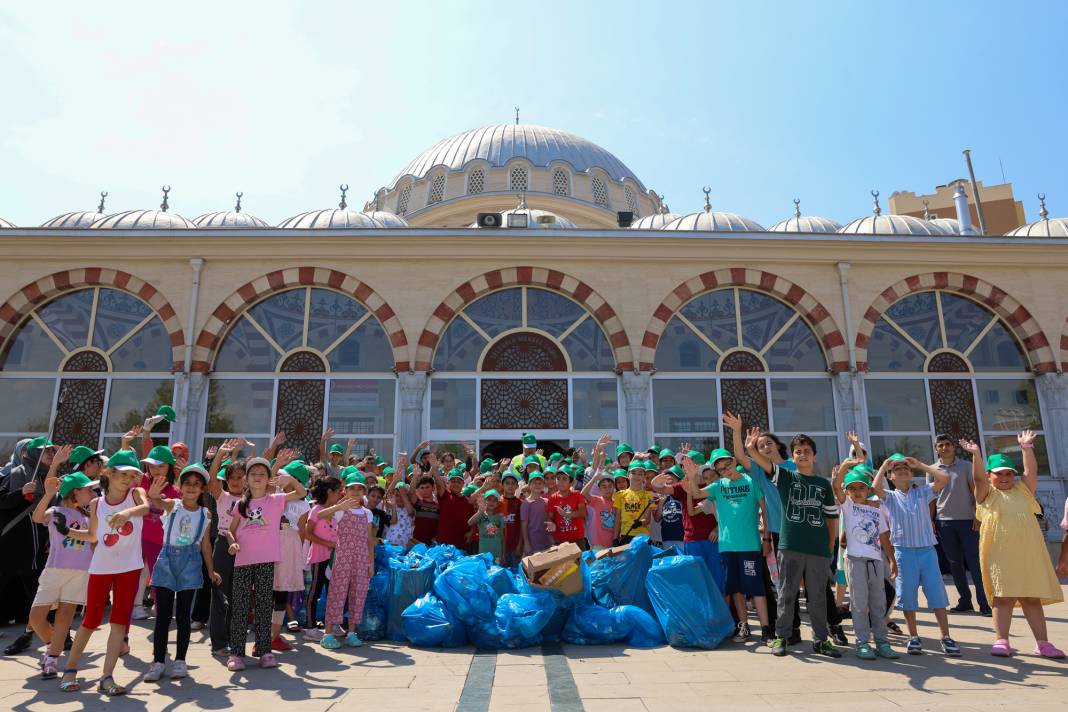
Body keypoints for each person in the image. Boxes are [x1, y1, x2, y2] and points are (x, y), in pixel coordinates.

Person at [963, 433, 1064, 658]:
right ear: (990, 476)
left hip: (1028, 553)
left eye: (1009, 473)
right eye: (999, 474)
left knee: (1031, 597)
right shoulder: (986, 494)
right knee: (1003, 597)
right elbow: (978, 479)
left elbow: (1032, 472)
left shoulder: (1023, 490)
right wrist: (976, 455)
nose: (1005, 477)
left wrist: (1026, 448)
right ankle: (1002, 640)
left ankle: (1043, 643)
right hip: (999, 555)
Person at [60, 449, 150, 695]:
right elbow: (91, 536)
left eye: (132, 475)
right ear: (108, 473)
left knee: (119, 624)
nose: (127, 479)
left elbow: (145, 508)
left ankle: (107, 677)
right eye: (123, 473)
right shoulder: (96, 503)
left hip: (130, 569)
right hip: (100, 569)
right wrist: (66, 531)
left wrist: (127, 512)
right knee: (90, 621)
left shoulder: (135, 494)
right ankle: (70, 670)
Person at [750, 434, 840, 658]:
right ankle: (782, 636)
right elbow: (760, 461)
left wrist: (829, 547)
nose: (802, 455)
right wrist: (751, 446)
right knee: (787, 594)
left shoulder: (823, 485)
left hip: (818, 549)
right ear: (792, 456)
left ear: (815, 456)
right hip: (790, 546)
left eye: (807, 451)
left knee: (818, 596)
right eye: (798, 451)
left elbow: (831, 519)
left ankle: (820, 640)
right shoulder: (786, 477)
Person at [872, 453, 960, 657]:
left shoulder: (923, 492)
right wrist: (884, 465)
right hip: (903, 552)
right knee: (908, 597)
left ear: (912, 474)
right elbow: (875, 488)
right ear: (891, 477)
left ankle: (945, 636)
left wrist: (921, 464)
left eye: (906, 468)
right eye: (897, 469)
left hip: (927, 551)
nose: (902, 470)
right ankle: (913, 637)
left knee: (937, 594)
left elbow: (944, 479)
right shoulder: (890, 497)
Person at [225, 453, 306, 671]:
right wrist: (232, 544)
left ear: (269, 478)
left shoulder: (275, 500)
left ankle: (264, 651)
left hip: (266, 561)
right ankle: (236, 653)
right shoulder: (240, 505)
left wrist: (290, 480)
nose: (258, 477)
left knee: (263, 606)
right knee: (241, 607)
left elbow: (302, 493)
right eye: (253, 474)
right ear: (246, 479)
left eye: (262, 474)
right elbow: (230, 532)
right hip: (243, 561)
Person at [681, 450, 771, 643]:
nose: (725, 471)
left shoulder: (751, 481)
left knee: (756, 588)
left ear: (732, 461)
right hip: (727, 547)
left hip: (749, 545)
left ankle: (766, 629)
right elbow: (696, 493)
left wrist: (767, 540)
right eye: (720, 470)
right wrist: (691, 477)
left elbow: (765, 511)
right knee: (735, 588)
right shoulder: (718, 486)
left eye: (727, 466)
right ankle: (744, 627)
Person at [144, 464, 221, 681]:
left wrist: (211, 571)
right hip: (167, 560)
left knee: (184, 617)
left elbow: (206, 544)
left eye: (196, 485)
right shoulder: (173, 506)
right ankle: (158, 662)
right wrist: (152, 492)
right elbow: (156, 500)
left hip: (191, 562)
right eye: (187, 483)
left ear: (203, 489)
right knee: (163, 616)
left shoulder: (205, 513)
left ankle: (180, 661)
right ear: (180, 486)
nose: (191, 488)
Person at [28, 450, 94, 680]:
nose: (92, 492)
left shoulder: (89, 516)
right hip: (54, 569)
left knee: (65, 616)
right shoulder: (55, 511)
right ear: (75, 492)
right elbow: (37, 518)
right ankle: (51, 644)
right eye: (88, 489)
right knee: (35, 618)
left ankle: (53, 659)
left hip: (80, 572)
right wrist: (48, 494)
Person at [830, 462, 898, 660]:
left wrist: (891, 559)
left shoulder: (876, 510)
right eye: (852, 488)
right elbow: (836, 485)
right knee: (859, 604)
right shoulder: (848, 507)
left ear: (868, 489)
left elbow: (884, 535)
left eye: (861, 488)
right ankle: (862, 642)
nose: (857, 492)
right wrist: (845, 466)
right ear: (847, 492)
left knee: (878, 604)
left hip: (876, 562)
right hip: (855, 561)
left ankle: (882, 642)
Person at [0, 436, 55, 656]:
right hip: (14, 544)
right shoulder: (14, 475)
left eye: (51, 452)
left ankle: (49, 635)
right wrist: (20, 493)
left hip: (40, 545)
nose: (49, 455)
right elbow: (1, 502)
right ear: (31, 454)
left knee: (40, 591)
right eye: (45, 452)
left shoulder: (51, 477)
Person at [929, 433, 990, 616]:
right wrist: (931, 521)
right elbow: (931, 498)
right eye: (941, 445)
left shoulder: (966, 467)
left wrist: (978, 517)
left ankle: (985, 603)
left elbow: (976, 493)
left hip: (968, 522)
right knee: (954, 564)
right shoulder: (932, 470)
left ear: (954, 447)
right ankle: (965, 601)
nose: (945, 447)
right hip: (944, 523)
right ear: (936, 448)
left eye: (948, 444)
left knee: (975, 563)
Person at [317, 470, 375, 649]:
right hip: (342, 558)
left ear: (364, 491)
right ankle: (327, 634)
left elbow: (369, 540)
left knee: (358, 593)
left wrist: (370, 562)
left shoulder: (367, 513)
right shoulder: (340, 511)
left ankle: (351, 632)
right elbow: (320, 515)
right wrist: (337, 507)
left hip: (361, 558)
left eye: (360, 488)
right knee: (337, 592)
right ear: (345, 490)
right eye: (352, 488)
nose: (356, 492)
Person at [206, 442, 245, 656]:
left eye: (240, 477)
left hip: (246, 548)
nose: (236, 481)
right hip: (222, 545)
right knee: (220, 594)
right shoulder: (223, 497)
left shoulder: (253, 500)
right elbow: (212, 479)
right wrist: (220, 454)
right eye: (232, 478)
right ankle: (219, 643)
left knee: (238, 596)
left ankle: (234, 638)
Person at [134, 443, 180, 621]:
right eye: (152, 465)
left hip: (161, 540)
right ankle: (136, 605)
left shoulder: (175, 491)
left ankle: (158, 603)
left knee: (160, 574)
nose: (156, 469)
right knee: (140, 572)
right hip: (139, 537)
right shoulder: (142, 481)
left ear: (169, 467)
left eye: (161, 465)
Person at [272, 460, 311, 651]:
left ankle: (274, 635)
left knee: (282, 591)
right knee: (266, 590)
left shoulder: (303, 505)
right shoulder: (274, 495)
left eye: (285, 476)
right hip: (269, 547)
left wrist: (300, 556)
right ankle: (266, 632)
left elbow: (302, 531)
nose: (280, 478)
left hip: (290, 550)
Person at [302, 475, 342, 641]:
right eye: (339, 491)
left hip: (334, 558)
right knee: (315, 592)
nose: (341, 494)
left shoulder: (337, 510)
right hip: (319, 557)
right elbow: (307, 533)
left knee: (334, 592)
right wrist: (327, 543)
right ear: (329, 491)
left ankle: (332, 624)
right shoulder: (316, 510)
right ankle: (310, 627)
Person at [613, 461, 652, 545]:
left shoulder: (648, 495)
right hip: (625, 535)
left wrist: (640, 522)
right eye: (633, 473)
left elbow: (648, 519)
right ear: (628, 475)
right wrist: (615, 538)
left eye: (640, 474)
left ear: (644, 477)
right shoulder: (620, 495)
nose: (636, 476)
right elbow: (617, 519)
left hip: (642, 537)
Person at [436, 468, 475, 549]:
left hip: (461, 545)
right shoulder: (444, 495)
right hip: (443, 545)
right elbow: (439, 483)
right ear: (448, 483)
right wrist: (434, 467)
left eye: (459, 482)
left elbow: (474, 520)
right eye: (453, 481)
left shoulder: (468, 502)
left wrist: (472, 532)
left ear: (463, 483)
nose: (456, 484)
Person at [548, 467, 586, 548]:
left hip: (578, 541)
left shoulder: (577, 495)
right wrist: (551, 523)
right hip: (560, 542)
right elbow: (549, 517)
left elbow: (583, 513)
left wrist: (567, 514)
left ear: (571, 482)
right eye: (558, 478)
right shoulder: (552, 498)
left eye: (564, 479)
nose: (560, 482)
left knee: (580, 561)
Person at [469, 490, 505, 563]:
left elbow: (502, 537)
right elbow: (470, 523)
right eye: (489, 499)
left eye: (495, 500)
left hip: (497, 553)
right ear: (485, 501)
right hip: (483, 553)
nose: (491, 502)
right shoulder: (480, 515)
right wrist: (480, 511)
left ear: (498, 503)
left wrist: (503, 554)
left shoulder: (500, 516)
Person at [520, 471, 552, 555]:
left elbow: (549, 521)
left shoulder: (547, 501)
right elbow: (524, 525)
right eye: (534, 483)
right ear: (529, 485)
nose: (537, 485)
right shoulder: (526, 503)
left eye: (540, 483)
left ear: (543, 485)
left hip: (546, 542)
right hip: (533, 544)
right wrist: (526, 544)